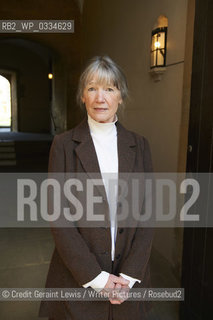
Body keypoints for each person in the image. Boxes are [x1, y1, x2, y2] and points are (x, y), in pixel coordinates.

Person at [39, 55, 154, 320]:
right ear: (82, 96)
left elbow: (148, 212)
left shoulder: (140, 145)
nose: (100, 97)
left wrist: (127, 276)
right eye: (92, 88)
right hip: (78, 278)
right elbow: (59, 217)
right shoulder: (64, 145)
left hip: (129, 284)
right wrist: (98, 279)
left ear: (120, 96)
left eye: (109, 89)